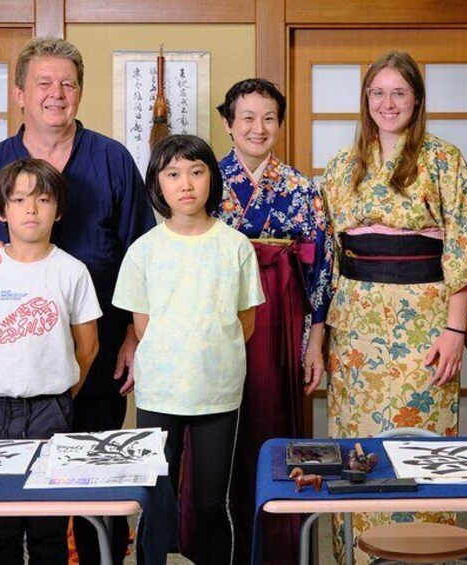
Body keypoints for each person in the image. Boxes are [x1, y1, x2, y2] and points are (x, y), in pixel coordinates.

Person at [0, 37, 155, 563]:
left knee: (91, 488)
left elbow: (143, 255)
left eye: (68, 84)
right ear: (20, 93)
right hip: (10, 375)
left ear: (79, 92)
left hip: (94, 355)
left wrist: (131, 337)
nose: (57, 94)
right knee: (5, 501)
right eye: (44, 83)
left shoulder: (112, 160)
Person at [320, 51, 467, 564]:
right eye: (377, 93)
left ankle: (426, 550)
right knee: (357, 441)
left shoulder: (444, 159)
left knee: (423, 439)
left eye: (398, 93)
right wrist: (321, 332)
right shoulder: (342, 165)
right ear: (365, 100)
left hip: (427, 319)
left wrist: (455, 330)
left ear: (417, 99)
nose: (387, 103)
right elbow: (330, 256)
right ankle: (359, 553)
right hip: (356, 324)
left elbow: (462, 246)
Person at [183, 77, 331, 565]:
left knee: (270, 421)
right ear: (228, 123)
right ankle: (212, 545)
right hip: (213, 313)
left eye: (269, 117)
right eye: (246, 117)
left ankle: (274, 545)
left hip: (279, 314)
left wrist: (314, 340)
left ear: (280, 124)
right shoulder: (203, 181)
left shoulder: (301, 188)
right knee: (211, 426)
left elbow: (320, 269)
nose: (258, 127)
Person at [113, 134, 265, 565]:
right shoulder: (143, 250)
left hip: (218, 390)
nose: (186, 184)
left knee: (211, 503)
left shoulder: (234, 245)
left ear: (211, 180)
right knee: (157, 502)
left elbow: (245, 322)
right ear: (157, 184)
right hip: (160, 391)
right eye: (173, 174)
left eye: (197, 172)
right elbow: (142, 327)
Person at [0, 159, 101, 565]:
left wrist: (57, 390)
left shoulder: (72, 271)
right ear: (2, 211)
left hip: (49, 410)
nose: (31, 209)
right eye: (18, 200)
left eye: (42, 199)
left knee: (48, 524)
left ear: (59, 209)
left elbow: (87, 347)